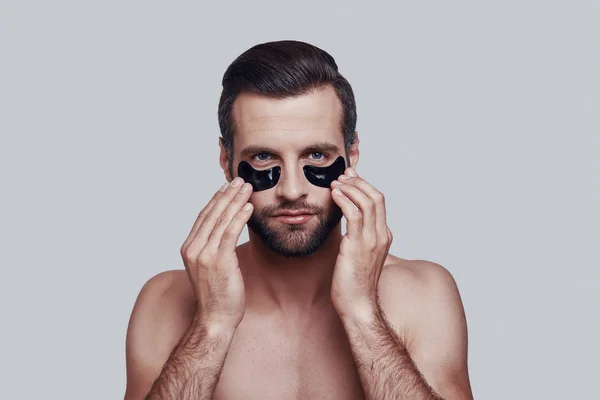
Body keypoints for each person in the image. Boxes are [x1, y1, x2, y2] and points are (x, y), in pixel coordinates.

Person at [124, 40, 474, 400]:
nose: (292, 190)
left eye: (317, 155)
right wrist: (211, 325)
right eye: (262, 157)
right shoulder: (166, 300)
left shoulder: (422, 293)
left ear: (351, 153)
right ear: (225, 161)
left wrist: (363, 314)